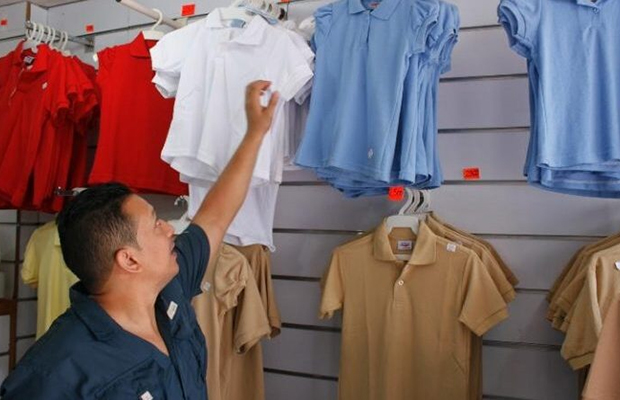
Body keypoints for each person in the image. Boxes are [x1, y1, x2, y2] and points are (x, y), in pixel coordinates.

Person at [0, 81, 280, 399]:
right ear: (129, 259)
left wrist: (255, 133)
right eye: (156, 224)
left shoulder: (170, 291)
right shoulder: (55, 374)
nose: (170, 229)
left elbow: (215, 217)